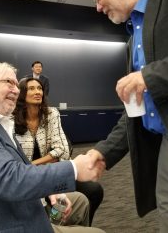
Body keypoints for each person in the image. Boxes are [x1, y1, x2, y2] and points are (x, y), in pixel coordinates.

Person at [88, 0, 168, 233]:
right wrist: (103, 152)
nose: (97, 7)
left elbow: (152, 80)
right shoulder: (133, 40)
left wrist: (150, 75)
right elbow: (137, 110)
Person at [0, 62, 105, 233]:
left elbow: (49, 156)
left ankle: (55, 221)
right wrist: (74, 168)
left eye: (16, 84)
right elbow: (10, 179)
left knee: (80, 202)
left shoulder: (0, 122)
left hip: (28, 199)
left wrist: (51, 189)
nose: (15, 89)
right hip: (11, 220)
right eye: (8, 82)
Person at [14, 77, 104, 225]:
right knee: (51, 202)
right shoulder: (12, 120)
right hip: (27, 177)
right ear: (22, 93)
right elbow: (16, 163)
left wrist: (32, 165)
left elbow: (61, 150)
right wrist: (41, 163)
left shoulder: (51, 114)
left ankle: (75, 225)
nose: (37, 92)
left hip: (51, 170)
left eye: (39, 88)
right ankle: (53, 225)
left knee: (94, 191)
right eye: (31, 88)